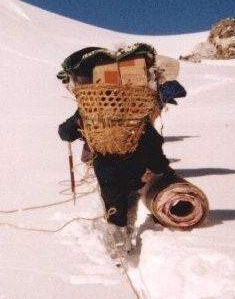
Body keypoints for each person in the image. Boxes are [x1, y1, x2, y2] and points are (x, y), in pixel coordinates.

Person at [56, 44, 186, 264]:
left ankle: (118, 257)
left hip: (107, 169)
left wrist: (77, 125)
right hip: (136, 167)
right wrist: (159, 168)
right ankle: (128, 240)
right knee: (131, 199)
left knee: (113, 209)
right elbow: (152, 140)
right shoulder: (135, 107)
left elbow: (65, 133)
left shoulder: (91, 108)